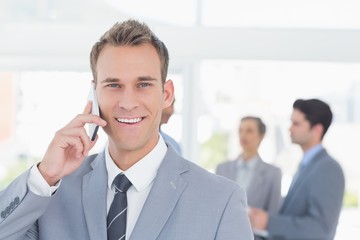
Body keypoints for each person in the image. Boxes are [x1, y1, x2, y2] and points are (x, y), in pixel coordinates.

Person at [0, 19, 253, 240]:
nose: (128, 103)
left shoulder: (220, 201)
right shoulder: (49, 192)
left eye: (143, 84)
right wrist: (44, 176)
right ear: (94, 93)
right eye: (113, 85)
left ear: (166, 94)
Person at [249, 99, 345, 240]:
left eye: (296, 124)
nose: (290, 128)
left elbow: (321, 229)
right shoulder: (307, 165)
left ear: (317, 129)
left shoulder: (328, 168)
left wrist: (269, 222)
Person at [216, 116, 282, 240]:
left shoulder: (273, 174)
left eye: (249, 131)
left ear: (261, 136)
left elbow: (272, 217)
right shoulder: (222, 169)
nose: (243, 135)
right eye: (240, 130)